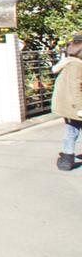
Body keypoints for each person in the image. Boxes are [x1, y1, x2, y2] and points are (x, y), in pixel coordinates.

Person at [52, 34, 82, 171]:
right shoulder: (76, 66)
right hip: (75, 106)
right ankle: (67, 159)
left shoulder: (68, 63)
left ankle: (66, 158)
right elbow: (75, 88)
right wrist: (79, 107)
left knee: (72, 130)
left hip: (70, 105)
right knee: (72, 131)